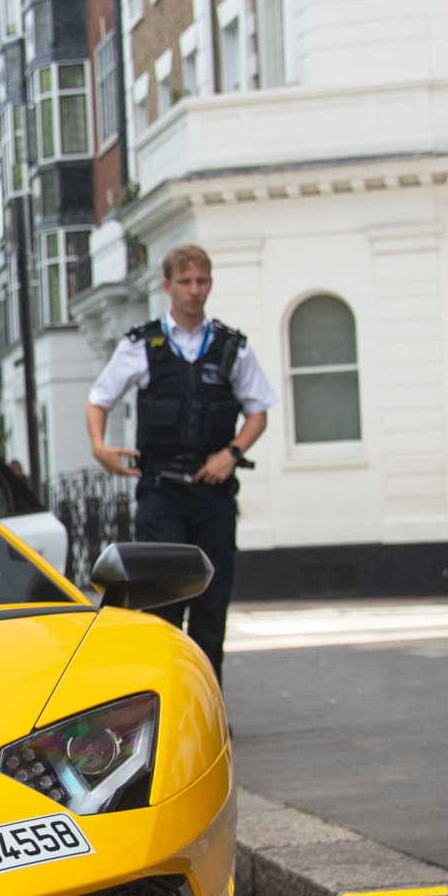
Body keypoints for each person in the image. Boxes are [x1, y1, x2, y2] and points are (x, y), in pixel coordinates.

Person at [84, 245, 273, 675]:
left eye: (202, 281)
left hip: (213, 493)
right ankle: (165, 704)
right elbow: (98, 400)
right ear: (167, 286)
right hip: (161, 492)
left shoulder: (230, 347)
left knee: (212, 605)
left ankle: (210, 708)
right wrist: (100, 447)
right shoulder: (142, 344)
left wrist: (232, 454)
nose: (194, 291)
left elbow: (258, 411)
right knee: (162, 606)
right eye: (185, 282)